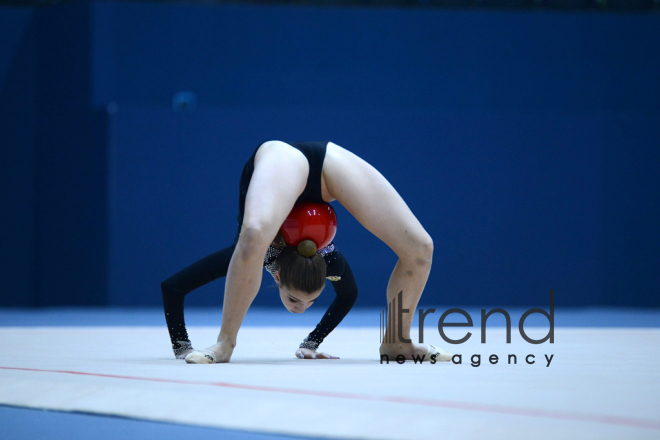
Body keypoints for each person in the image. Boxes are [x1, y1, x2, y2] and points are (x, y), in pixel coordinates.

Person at [161, 140, 451, 363]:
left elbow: (349, 295)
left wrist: (311, 342)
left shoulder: (326, 262)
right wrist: (182, 347)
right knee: (251, 238)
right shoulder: (258, 255)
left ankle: (396, 342)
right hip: (283, 159)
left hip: (329, 164)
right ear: (277, 278)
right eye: (295, 299)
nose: (300, 308)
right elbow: (173, 286)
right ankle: (225, 343)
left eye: (308, 302)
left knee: (420, 248)